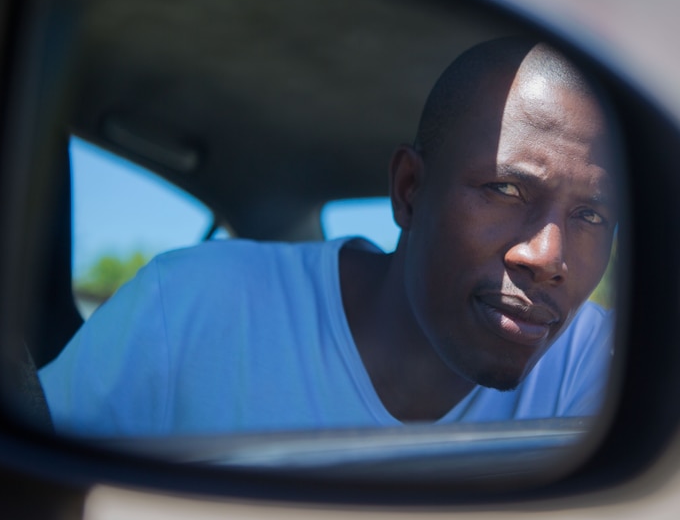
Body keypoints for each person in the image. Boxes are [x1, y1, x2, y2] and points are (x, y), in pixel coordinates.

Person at [40, 37, 618, 436]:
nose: (549, 257)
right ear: (410, 191)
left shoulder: (597, 362)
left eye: (591, 215)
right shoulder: (190, 307)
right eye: (506, 190)